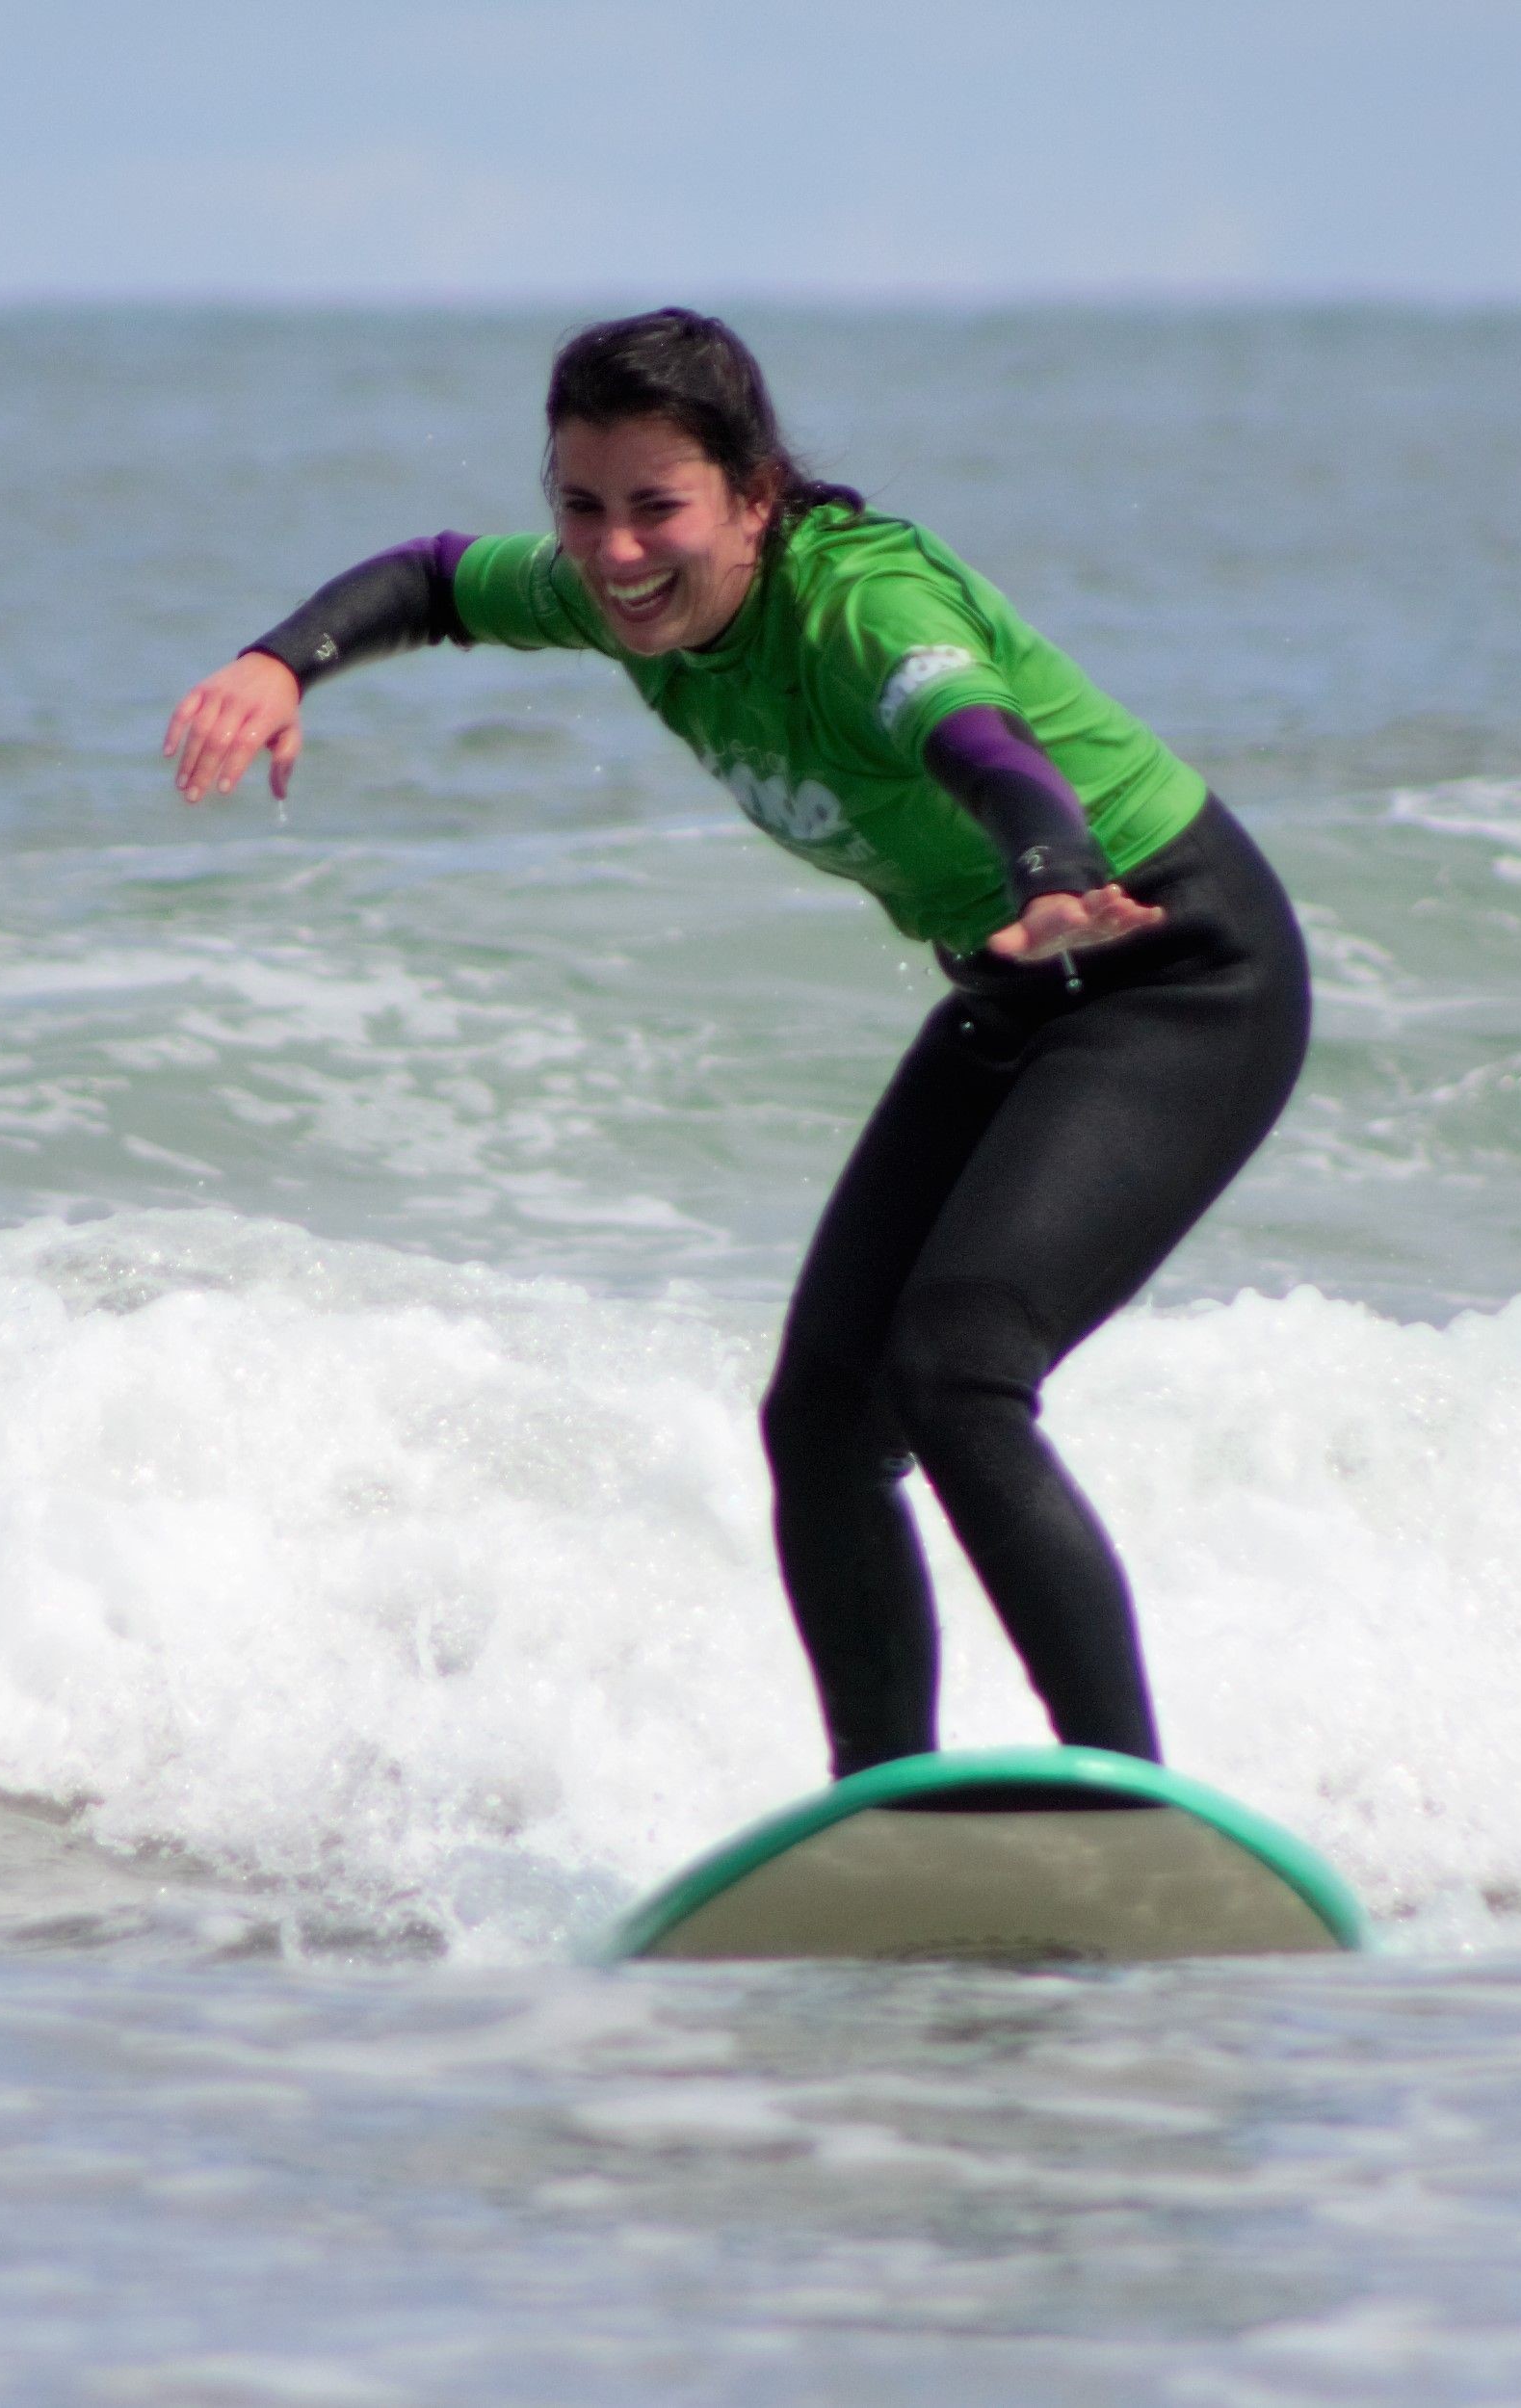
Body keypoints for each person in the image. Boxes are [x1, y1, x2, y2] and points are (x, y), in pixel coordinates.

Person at [162, 310, 1308, 1779]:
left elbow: (985, 745)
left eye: (659, 510)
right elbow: (435, 579)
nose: (618, 551)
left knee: (959, 1372)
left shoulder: (860, 611)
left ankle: (1136, 1807)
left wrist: (1046, 871)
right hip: (1022, 986)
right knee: (820, 1422)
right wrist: (281, 663)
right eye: (582, 508)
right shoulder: (611, 592)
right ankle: (882, 1812)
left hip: (1174, 964)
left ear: (755, 496)